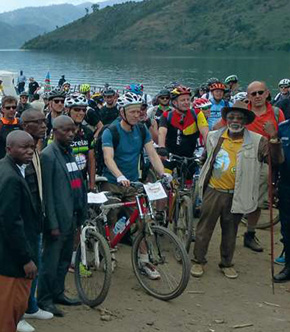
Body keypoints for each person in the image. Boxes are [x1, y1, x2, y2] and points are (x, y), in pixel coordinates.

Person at [191, 101, 283, 279]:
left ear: (245, 121)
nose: (235, 121)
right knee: (204, 229)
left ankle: (226, 263)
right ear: (226, 119)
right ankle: (198, 261)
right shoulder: (213, 136)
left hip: (238, 193)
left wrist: (273, 138)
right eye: (231, 117)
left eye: (239, 118)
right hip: (213, 190)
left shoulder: (257, 141)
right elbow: (205, 158)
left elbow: (276, 160)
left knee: (230, 230)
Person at [101, 92, 167, 279]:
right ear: (122, 112)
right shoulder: (111, 131)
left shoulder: (141, 129)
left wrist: (163, 174)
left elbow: (152, 154)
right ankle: (109, 253)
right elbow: (108, 158)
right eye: (133, 112)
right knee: (111, 219)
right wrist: (119, 176)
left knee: (143, 221)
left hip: (134, 183)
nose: (138, 115)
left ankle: (144, 260)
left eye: (140, 111)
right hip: (112, 181)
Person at [37, 115, 87, 317]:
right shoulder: (48, 155)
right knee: (51, 261)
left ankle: (58, 293)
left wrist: (82, 209)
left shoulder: (69, 152)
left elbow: (77, 181)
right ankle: (44, 299)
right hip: (57, 219)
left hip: (72, 215)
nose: (71, 134)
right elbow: (47, 194)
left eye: (73, 130)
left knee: (65, 259)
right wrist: (52, 223)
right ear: (55, 132)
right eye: (66, 131)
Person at [17, 109, 53, 332]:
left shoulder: (36, 150)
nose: (44, 125)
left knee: (36, 265)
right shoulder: (19, 155)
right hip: (22, 221)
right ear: (25, 126)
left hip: (36, 219)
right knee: (21, 268)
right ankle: (17, 313)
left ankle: (31, 306)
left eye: (43, 121)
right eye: (37, 122)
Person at [0, 130, 38, 332]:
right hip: (12, 261)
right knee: (10, 312)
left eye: (32, 147)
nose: (30, 151)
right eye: (24, 147)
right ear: (9, 149)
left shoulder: (8, 168)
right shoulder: (10, 178)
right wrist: (25, 259)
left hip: (9, 256)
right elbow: (10, 222)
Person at [65, 93, 96, 191]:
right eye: (77, 109)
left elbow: (91, 161)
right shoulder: (59, 132)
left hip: (81, 180)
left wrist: (92, 186)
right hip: (64, 181)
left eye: (84, 110)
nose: (81, 113)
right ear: (67, 110)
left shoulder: (88, 132)